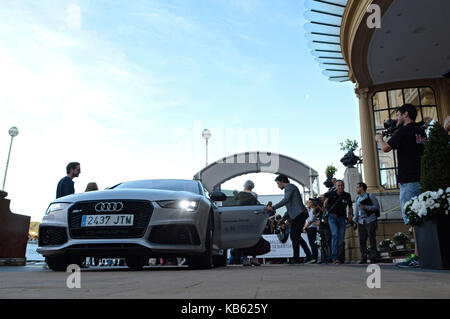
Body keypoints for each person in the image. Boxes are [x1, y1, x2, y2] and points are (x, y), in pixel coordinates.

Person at [375, 104, 426, 268]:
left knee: (414, 219)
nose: (396, 118)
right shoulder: (420, 131)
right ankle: (422, 255)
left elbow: (386, 148)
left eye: (398, 115)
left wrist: (379, 139)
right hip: (421, 178)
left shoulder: (404, 131)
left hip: (409, 181)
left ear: (405, 115)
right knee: (422, 218)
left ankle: (418, 256)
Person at [265, 174, 313, 264]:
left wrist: (273, 207)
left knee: (294, 236)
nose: (278, 185)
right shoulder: (290, 189)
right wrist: (282, 219)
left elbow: (286, 200)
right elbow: (289, 209)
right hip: (299, 215)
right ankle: (308, 256)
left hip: (299, 215)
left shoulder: (289, 187)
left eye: (278, 183)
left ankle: (297, 258)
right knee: (296, 236)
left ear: (282, 181)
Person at [323, 180, 353, 264]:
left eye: (342, 185)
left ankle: (339, 258)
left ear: (344, 186)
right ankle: (334, 257)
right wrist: (328, 197)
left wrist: (351, 215)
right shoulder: (331, 194)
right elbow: (325, 205)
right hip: (332, 217)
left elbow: (350, 206)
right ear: (336, 187)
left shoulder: (347, 195)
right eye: (339, 185)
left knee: (341, 238)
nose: (340, 187)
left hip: (342, 218)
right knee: (335, 234)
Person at [234, 180, 260, 266]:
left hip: (242, 218)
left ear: (245, 186)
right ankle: (254, 258)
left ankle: (245, 259)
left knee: (244, 239)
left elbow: (236, 200)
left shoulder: (241, 194)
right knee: (254, 238)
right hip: (253, 218)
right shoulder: (255, 195)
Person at [354, 182, 380, 264]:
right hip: (361, 222)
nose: (356, 189)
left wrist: (367, 207)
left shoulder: (370, 196)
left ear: (362, 188)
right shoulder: (357, 198)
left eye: (358, 187)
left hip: (370, 220)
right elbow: (356, 211)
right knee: (362, 240)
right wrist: (355, 220)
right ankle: (363, 257)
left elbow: (377, 207)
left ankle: (373, 257)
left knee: (372, 239)